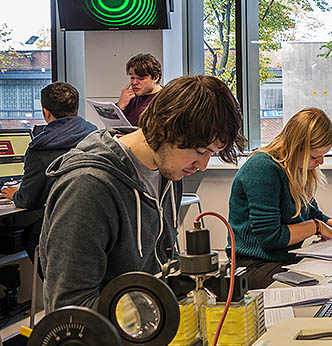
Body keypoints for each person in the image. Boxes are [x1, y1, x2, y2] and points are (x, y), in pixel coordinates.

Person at [39, 75, 246, 311]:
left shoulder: (167, 172)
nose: (203, 165)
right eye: (200, 150)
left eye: (212, 153)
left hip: (153, 327)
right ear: (164, 128)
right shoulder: (88, 187)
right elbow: (70, 309)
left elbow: (160, 268)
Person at [230, 107, 332, 289]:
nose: (320, 162)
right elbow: (271, 237)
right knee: (325, 287)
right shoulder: (262, 168)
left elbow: (314, 215)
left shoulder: (295, 169)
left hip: (281, 261)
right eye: (315, 156)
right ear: (297, 147)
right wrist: (315, 227)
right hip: (252, 266)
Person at [0, 82, 96, 261]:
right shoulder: (94, 135)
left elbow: (28, 200)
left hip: (63, 222)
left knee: (30, 238)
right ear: (76, 107)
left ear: (45, 112)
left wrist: (14, 194)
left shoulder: (40, 148)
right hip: (96, 218)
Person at [117, 53, 163, 125]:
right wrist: (119, 106)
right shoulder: (129, 98)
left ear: (155, 78)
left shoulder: (165, 100)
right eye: (132, 78)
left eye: (141, 78)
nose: (134, 82)